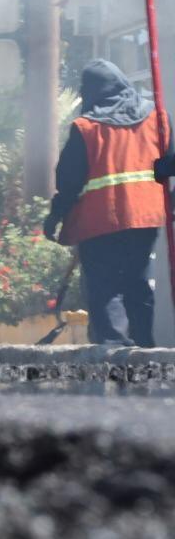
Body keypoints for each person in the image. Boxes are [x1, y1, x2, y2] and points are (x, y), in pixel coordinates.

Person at [45, 60, 169, 347]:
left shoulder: (86, 128)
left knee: (105, 287)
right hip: (144, 218)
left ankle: (113, 349)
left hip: (101, 220)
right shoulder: (158, 119)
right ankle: (144, 350)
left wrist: (55, 217)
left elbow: (68, 182)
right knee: (137, 283)